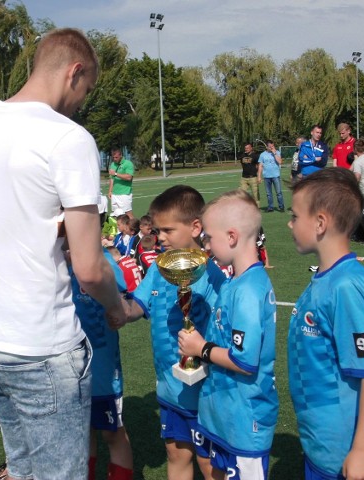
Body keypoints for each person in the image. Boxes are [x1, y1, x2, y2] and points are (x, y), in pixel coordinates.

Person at [0, 28, 126, 480]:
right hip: (38, 342)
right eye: (86, 89)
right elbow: (91, 269)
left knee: (23, 468)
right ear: (74, 72)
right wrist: (116, 308)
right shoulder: (68, 138)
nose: (81, 102)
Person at [287, 168, 364, 479]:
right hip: (322, 444)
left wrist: (360, 450)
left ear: (320, 223)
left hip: (343, 455)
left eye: (294, 216)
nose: (289, 224)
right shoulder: (326, 277)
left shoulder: (346, 286)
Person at [125, 185, 226, 480]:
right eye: (158, 230)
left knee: (210, 466)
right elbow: (138, 306)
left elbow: (225, 331)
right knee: (176, 454)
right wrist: (119, 311)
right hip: (169, 387)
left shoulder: (213, 274)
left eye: (168, 230)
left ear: (196, 227)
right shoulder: (159, 267)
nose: (161, 237)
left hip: (204, 392)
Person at [178, 190, 278, 480]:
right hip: (224, 411)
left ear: (232, 237)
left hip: (245, 419)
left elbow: (245, 361)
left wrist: (201, 348)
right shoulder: (236, 281)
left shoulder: (248, 290)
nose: (206, 245)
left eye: (209, 237)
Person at [67, 248, 134, 480]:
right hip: (67, 365)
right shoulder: (51, 258)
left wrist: (121, 306)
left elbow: (123, 299)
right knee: (82, 433)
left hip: (101, 368)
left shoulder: (99, 257)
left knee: (112, 433)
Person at [259, 140, 285, 212]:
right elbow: (260, 166)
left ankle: (281, 206)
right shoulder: (262, 155)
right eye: (270, 146)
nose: (271, 147)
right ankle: (270, 207)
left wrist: (274, 153)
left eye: (273, 146)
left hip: (275, 175)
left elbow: (280, 162)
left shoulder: (277, 152)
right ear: (266, 147)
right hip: (266, 176)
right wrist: (259, 176)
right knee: (268, 194)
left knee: (279, 192)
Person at [108, 148, 134, 217]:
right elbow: (111, 179)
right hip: (115, 194)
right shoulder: (113, 164)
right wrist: (110, 191)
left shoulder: (128, 163)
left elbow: (129, 177)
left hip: (125, 193)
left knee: (128, 214)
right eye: (113, 157)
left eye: (116, 157)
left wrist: (116, 174)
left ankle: (134, 228)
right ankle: (119, 228)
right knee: (116, 213)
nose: (115, 159)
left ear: (121, 156)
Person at [239, 143, 261, 207]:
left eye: (248, 148)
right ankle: (243, 206)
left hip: (253, 177)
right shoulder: (242, 155)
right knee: (241, 193)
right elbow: (242, 164)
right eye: (245, 148)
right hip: (244, 177)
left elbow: (258, 165)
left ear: (251, 148)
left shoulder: (255, 155)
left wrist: (258, 174)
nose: (246, 149)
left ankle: (257, 207)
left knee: (255, 194)